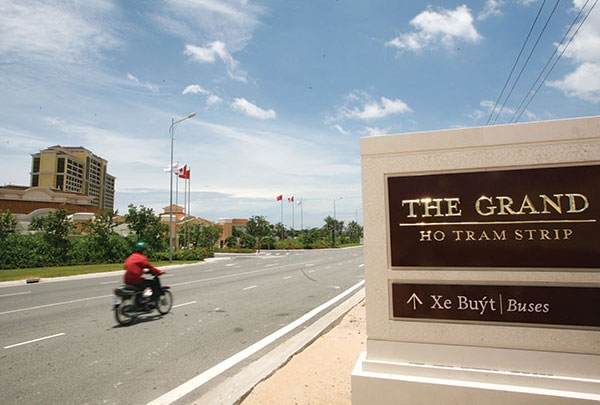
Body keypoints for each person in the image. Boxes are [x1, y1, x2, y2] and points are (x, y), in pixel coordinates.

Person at [124, 242, 164, 307]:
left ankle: (139, 301)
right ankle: (153, 302)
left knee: (141, 287)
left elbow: (127, 267)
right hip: (136, 280)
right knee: (153, 284)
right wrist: (159, 272)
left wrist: (141, 271)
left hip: (127, 280)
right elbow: (150, 267)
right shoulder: (142, 258)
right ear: (143, 250)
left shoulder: (131, 257)